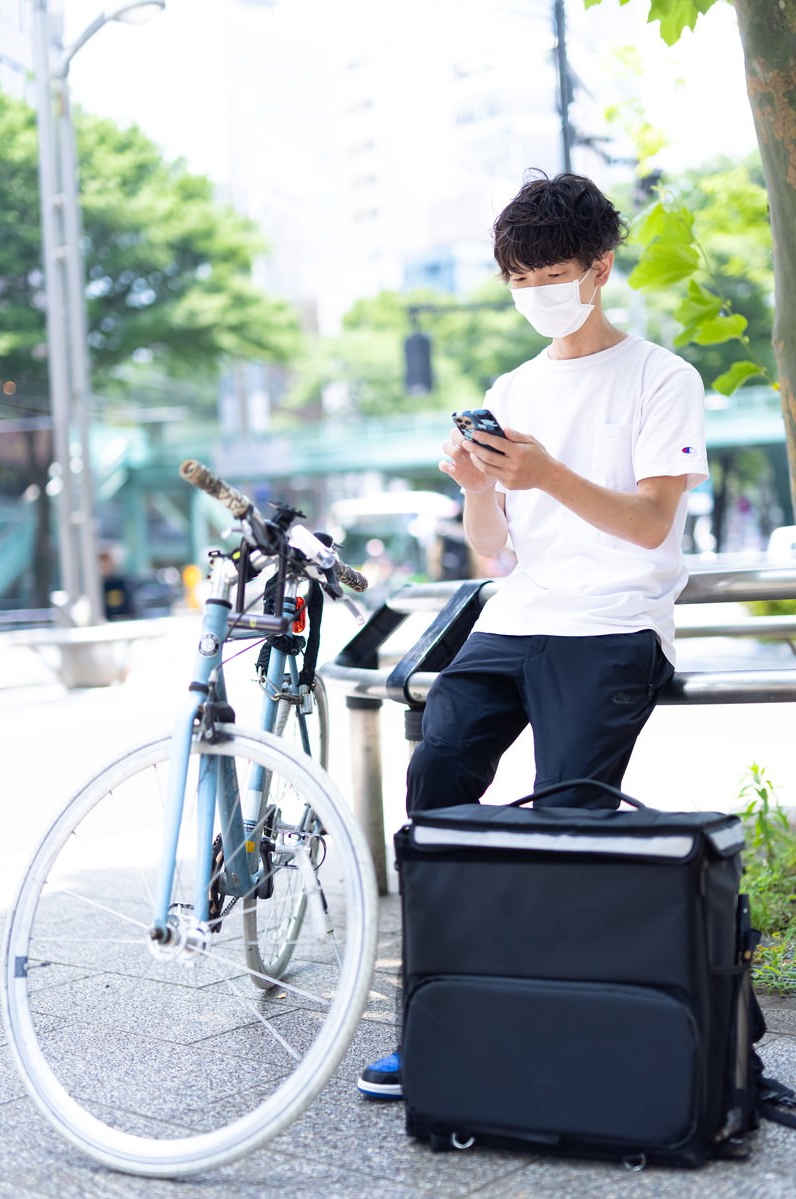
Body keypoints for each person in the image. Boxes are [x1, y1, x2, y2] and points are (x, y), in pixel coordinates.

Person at [357, 169, 709, 1100]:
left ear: (599, 269)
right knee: (435, 794)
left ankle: (554, 1025)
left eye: (549, 274)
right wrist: (480, 485)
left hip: (614, 625)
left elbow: (647, 527)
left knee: (568, 826)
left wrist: (546, 473)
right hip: (516, 620)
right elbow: (495, 559)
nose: (534, 295)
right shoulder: (509, 386)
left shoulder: (663, 378)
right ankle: (432, 1021)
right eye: (517, 281)